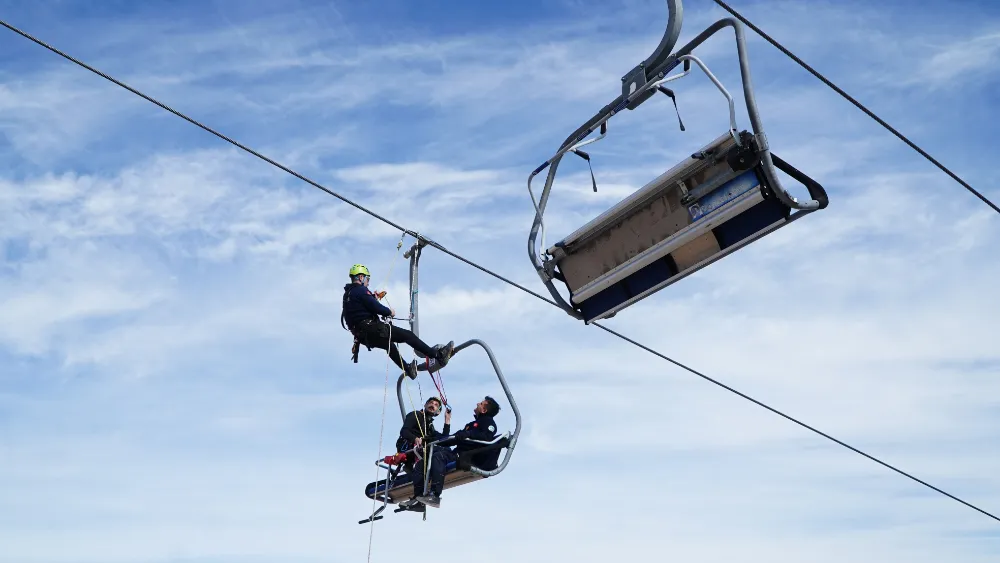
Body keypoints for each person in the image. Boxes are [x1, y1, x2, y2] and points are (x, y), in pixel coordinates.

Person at [341, 264, 455, 379]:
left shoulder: (348, 295)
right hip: (372, 329)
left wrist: (372, 297)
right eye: (367, 279)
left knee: (389, 346)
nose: (368, 283)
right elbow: (376, 308)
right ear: (361, 277)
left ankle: (408, 369)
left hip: (363, 337)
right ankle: (438, 355)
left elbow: (360, 310)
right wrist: (389, 312)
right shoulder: (361, 291)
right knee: (408, 335)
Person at [405, 396, 502, 509]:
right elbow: (451, 439)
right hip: (457, 452)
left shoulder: (488, 422)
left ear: (484, 410)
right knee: (423, 462)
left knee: (438, 457)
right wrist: (431, 439)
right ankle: (418, 500)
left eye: (480, 403)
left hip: (467, 455)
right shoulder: (471, 425)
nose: (477, 403)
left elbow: (487, 436)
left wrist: (469, 434)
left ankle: (435, 495)